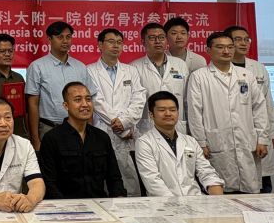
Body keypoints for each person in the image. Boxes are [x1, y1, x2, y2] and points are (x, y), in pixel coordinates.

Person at [187, 32, 269, 194]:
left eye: (230, 47)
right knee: (219, 191)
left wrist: (262, 138)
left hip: (247, 141)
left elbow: (259, 107)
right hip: (215, 142)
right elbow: (195, 112)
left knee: (249, 193)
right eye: (220, 47)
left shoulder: (246, 75)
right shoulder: (199, 77)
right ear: (208, 50)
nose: (226, 51)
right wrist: (200, 142)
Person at [39, 81, 126, 199]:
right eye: (78, 100)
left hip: (99, 203)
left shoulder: (102, 137)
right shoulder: (52, 138)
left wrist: (119, 199)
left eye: (88, 99)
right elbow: (49, 183)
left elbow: (114, 178)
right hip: (65, 205)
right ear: (66, 106)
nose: (85, 104)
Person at [87, 28, 147, 196]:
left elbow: (139, 98)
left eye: (119, 42)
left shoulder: (131, 71)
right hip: (102, 129)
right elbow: (96, 100)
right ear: (100, 45)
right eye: (111, 42)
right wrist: (119, 125)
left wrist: (125, 123)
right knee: (103, 177)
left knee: (129, 178)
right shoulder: (89, 70)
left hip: (128, 132)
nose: (116, 46)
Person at [135, 91, 224, 196]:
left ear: (177, 113)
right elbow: (153, 183)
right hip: (164, 202)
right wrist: (178, 204)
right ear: (151, 114)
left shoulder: (190, 141)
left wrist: (217, 196)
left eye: (172, 110)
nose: (168, 114)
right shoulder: (144, 143)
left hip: (195, 199)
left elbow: (206, 172)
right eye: (162, 110)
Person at [226, 25, 274, 193]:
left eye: (246, 39)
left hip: (259, 131)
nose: (243, 43)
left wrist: (273, 133)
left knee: (262, 180)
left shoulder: (258, 68)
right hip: (233, 132)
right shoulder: (220, 69)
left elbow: (267, 103)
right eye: (237, 39)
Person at [27, 21, 92, 151]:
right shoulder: (37, 66)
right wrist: (35, 140)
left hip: (78, 129)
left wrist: (89, 132)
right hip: (49, 128)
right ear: (49, 39)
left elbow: (89, 100)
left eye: (68, 37)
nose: (65, 41)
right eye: (60, 37)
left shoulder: (80, 67)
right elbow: (32, 104)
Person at [131, 22, 189, 135]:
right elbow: (132, 102)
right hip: (147, 127)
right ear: (143, 42)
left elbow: (186, 99)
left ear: (166, 40)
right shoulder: (134, 67)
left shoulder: (180, 65)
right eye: (152, 38)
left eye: (161, 37)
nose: (158, 41)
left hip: (177, 126)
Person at [0, 33, 28, 138]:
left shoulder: (19, 78)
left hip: (19, 134)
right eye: (2, 51)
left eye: (10, 51)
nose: (7, 54)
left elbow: (26, 110)